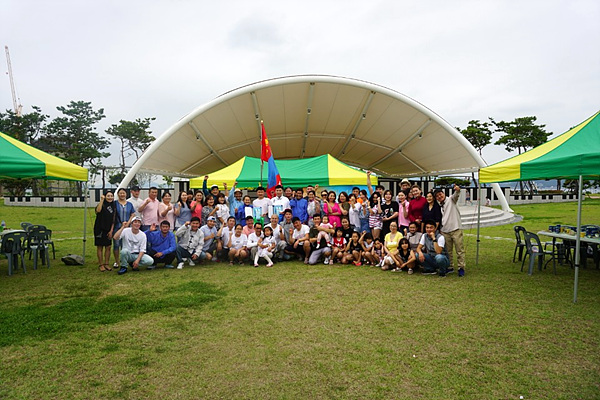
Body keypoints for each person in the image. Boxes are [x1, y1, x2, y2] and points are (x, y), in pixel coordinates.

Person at [435, 185, 465, 277]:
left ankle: (461, 267)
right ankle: (450, 266)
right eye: (437, 196)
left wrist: (457, 190)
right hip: (445, 230)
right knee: (448, 251)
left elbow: (456, 195)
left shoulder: (451, 200)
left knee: (459, 250)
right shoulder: (439, 206)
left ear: (443, 193)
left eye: (440, 194)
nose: (439, 197)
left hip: (455, 228)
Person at [113, 188, 136, 270]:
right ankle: (116, 261)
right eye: (120, 193)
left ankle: (124, 261)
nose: (122, 195)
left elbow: (132, 214)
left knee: (125, 244)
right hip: (117, 227)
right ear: (118, 194)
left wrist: (128, 223)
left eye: (123, 193)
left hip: (127, 227)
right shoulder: (114, 204)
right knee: (116, 244)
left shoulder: (129, 204)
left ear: (126, 194)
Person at [94, 191, 116, 272]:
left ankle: (106, 263)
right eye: (108, 196)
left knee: (108, 247)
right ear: (105, 196)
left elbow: (113, 219)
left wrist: (111, 231)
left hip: (108, 229)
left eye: (111, 196)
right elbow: (98, 211)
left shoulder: (114, 206)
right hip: (99, 228)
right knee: (100, 246)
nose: (110, 197)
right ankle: (101, 264)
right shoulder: (101, 204)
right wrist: (102, 200)